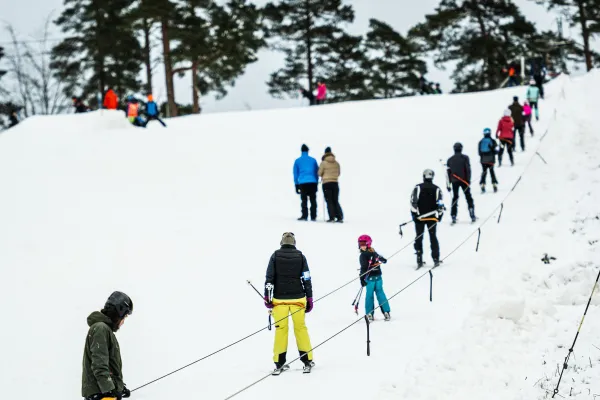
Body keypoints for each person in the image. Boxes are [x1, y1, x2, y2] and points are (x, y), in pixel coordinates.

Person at [264, 232, 315, 374]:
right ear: (294, 243)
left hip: (279, 300)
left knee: (281, 329)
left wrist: (267, 298)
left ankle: (279, 362)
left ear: (281, 243)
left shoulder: (275, 256)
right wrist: (309, 298)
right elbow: (307, 278)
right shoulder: (301, 256)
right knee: (300, 328)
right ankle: (307, 360)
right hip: (298, 299)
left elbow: (269, 278)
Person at [82, 291, 133, 400]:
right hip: (102, 394)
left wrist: (119, 387)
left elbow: (109, 366)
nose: (123, 322)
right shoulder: (100, 328)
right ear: (118, 313)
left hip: (105, 393)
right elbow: (99, 364)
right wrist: (110, 390)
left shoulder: (105, 330)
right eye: (125, 317)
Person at [410, 169, 444, 268]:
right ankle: (436, 258)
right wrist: (440, 215)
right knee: (433, 237)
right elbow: (440, 204)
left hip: (420, 218)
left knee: (419, 237)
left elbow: (413, 202)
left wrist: (414, 215)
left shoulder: (418, 187)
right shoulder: (437, 188)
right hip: (432, 218)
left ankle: (419, 258)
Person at [358, 235, 390, 321]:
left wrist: (361, 278)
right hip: (378, 277)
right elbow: (382, 259)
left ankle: (370, 313)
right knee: (380, 293)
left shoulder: (363, 255)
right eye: (360, 244)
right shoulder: (373, 252)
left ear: (368, 244)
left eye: (363, 244)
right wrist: (382, 260)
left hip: (370, 279)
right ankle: (386, 311)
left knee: (369, 296)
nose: (362, 246)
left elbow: (364, 268)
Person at [446, 142, 476, 224]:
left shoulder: (450, 159)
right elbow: (468, 169)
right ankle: (472, 212)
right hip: (464, 181)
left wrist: (448, 184)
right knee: (468, 197)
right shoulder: (465, 158)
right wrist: (468, 180)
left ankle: (453, 215)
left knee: (455, 198)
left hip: (454, 181)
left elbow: (448, 173)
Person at [293, 144, 319, 221]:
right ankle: (313, 216)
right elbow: (316, 172)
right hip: (312, 182)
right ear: (308, 151)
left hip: (302, 182)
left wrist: (296, 184)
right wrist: (316, 182)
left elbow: (295, 173)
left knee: (304, 200)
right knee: (313, 200)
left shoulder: (297, 161)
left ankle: (304, 215)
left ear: (301, 151)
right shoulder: (313, 160)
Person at [318, 146, 343, 223]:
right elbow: (338, 173)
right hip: (335, 183)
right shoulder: (337, 163)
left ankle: (331, 217)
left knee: (329, 200)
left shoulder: (323, 163)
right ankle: (339, 216)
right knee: (335, 200)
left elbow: (319, 173)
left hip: (326, 183)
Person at [478, 128, 499, 193]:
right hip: (491, 160)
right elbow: (495, 151)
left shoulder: (481, 141)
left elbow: (479, 153)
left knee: (484, 172)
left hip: (483, 160)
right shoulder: (492, 141)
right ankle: (494, 184)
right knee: (492, 172)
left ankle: (483, 185)